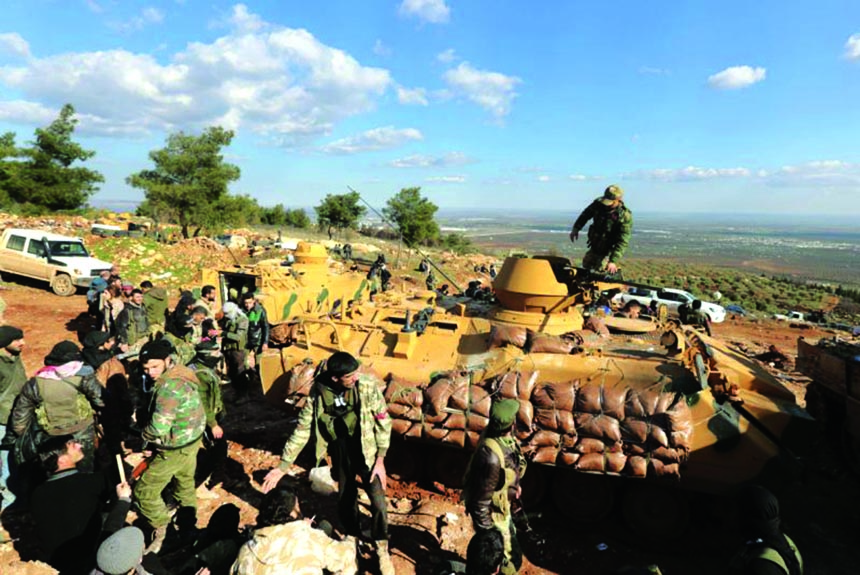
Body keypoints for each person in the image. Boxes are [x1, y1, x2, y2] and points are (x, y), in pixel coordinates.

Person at [261, 351, 394, 575]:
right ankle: (351, 538)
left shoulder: (367, 388)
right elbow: (303, 429)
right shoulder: (319, 393)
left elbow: (383, 421)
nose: (355, 378)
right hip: (340, 451)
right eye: (349, 376)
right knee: (346, 497)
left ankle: (381, 546)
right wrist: (283, 465)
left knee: (378, 502)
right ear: (335, 378)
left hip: (367, 450)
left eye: (356, 373)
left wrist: (380, 459)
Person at [134, 338, 206, 554]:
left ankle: (165, 531)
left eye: (155, 367)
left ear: (167, 361)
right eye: (146, 368)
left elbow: (159, 428)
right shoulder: (181, 372)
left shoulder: (168, 388)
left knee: (144, 492)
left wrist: (143, 437)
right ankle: (188, 527)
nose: (150, 373)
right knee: (184, 484)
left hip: (174, 448)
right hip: (191, 441)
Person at [31, 434, 132, 573]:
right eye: (72, 445)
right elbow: (120, 481)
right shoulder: (90, 483)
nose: (80, 445)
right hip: (91, 561)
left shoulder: (37, 493)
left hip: (59, 562)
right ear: (62, 459)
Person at [11, 340, 104, 473]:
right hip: (82, 434)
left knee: (54, 470)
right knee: (84, 470)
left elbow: (20, 420)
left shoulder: (36, 383)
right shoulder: (83, 377)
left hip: (51, 438)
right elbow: (101, 400)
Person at [235, 477, 357, 575]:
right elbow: (346, 555)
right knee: (349, 567)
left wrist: (301, 527)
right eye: (297, 506)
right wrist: (351, 538)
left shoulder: (246, 550)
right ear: (292, 513)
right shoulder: (310, 539)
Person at [462, 398, 527, 575]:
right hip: (493, 517)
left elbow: (508, 469)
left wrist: (514, 487)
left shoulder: (505, 440)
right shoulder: (490, 457)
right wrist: (490, 536)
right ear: (512, 423)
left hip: (502, 507)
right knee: (506, 560)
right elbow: (480, 501)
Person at [730, 485, 802, 575]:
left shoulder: (761, 567)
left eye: (737, 512)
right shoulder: (785, 541)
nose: (732, 516)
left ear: (748, 519)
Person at [186, 339, 226, 499]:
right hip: (203, 420)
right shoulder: (200, 374)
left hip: (209, 417)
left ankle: (215, 477)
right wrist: (213, 424)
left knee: (218, 450)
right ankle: (199, 485)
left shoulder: (201, 367)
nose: (218, 355)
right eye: (214, 353)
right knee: (212, 453)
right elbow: (201, 402)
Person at [569, 184, 633, 274]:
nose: (606, 205)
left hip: (608, 251)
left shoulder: (624, 216)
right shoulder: (598, 204)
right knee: (585, 269)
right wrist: (576, 228)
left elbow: (623, 241)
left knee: (600, 272)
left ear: (618, 200)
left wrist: (613, 261)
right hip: (595, 246)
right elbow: (585, 215)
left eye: (610, 202)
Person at [0, 325, 27, 511]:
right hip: (2, 420)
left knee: (14, 458)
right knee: (4, 461)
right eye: (17, 339)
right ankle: (9, 501)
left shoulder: (15, 357)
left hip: (17, 416)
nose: (22, 343)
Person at [219, 302, 249, 396]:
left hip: (238, 350)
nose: (226, 316)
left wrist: (223, 333)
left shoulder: (242, 320)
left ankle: (243, 394)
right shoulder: (228, 319)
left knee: (239, 372)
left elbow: (238, 337)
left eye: (228, 313)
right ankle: (236, 391)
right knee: (231, 373)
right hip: (229, 349)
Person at [241, 292, 269, 363]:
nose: (247, 305)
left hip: (258, 341)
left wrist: (265, 342)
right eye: (245, 303)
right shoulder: (241, 311)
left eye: (249, 302)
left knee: (259, 364)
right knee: (243, 363)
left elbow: (265, 327)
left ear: (253, 301)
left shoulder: (260, 311)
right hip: (245, 341)